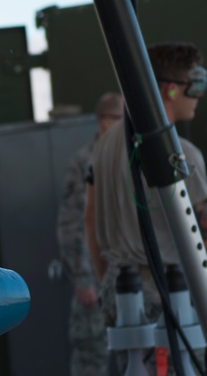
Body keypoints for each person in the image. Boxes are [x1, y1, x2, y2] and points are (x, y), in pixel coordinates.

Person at [86, 43, 207, 328]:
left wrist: (108, 279)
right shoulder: (182, 154)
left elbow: (89, 219)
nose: (198, 96)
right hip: (170, 291)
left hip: (119, 288)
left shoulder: (102, 146)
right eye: (195, 85)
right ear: (172, 90)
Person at [55, 92, 124, 376]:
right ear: (101, 122)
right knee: (91, 348)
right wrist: (83, 278)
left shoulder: (130, 157)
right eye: (112, 121)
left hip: (126, 269)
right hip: (93, 275)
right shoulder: (85, 162)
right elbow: (71, 226)